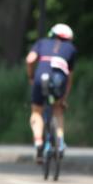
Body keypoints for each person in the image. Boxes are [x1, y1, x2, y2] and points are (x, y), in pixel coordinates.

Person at [26, 23, 77, 164]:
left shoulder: (41, 43)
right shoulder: (71, 49)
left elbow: (29, 60)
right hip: (59, 79)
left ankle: (38, 143)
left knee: (36, 111)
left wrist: (30, 76)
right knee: (58, 110)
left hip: (40, 77)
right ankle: (60, 143)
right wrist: (64, 98)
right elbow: (70, 78)